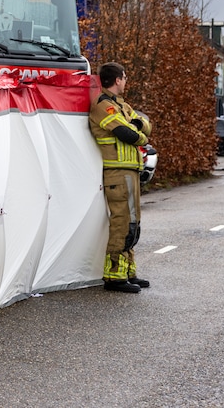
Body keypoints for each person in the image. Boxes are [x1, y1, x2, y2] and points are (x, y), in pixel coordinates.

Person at [89, 62, 152, 294]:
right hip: (116, 170)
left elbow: (146, 123)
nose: (126, 81)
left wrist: (137, 127)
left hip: (130, 169)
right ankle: (114, 276)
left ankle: (128, 272)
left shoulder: (122, 105)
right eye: (125, 77)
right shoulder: (102, 106)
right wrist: (141, 137)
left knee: (133, 224)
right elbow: (125, 133)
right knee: (122, 223)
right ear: (117, 80)